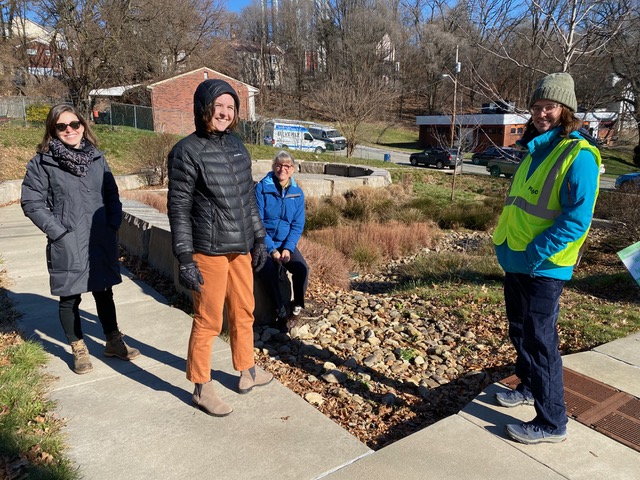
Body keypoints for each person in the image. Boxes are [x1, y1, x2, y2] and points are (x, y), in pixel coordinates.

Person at [493, 72, 601, 444]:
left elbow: (577, 220)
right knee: (520, 331)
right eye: (537, 107)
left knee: (541, 341)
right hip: (518, 261)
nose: (541, 113)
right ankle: (527, 386)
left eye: (549, 107)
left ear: (565, 110)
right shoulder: (537, 148)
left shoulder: (579, 155)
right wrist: (504, 246)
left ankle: (552, 422)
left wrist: (536, 252)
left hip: (545, 266)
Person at [167, 79, 273, 417]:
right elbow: (179, 208)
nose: (225, 113)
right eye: (219, 106)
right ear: (204, 109)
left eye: (230, 107)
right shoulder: (186, 151)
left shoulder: (238, 146)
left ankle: (247, 370)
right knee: (209, 320)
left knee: (244, 312)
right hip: (208, 250)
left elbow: (248, 200)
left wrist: (259, 238)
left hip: (240, 247)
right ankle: (201, 385)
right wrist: (184, 257)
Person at [21, 104, 140, 375]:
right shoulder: (42, 162)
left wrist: (112, 223)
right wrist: (58, 232)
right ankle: (78, 348)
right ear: (53, 130)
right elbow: (31, 202)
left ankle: (113, 340)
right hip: (68, 238)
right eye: (62, 126)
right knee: (69, 296)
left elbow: (111, 194)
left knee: (104, 291)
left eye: (74, 124)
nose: (70, 130)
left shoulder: (97, 157)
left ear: (83, 125)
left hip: (100, 237)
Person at [255, 151, 309, 330]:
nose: (282, 169)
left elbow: (297, 224)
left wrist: (287, 248)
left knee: (302, 269)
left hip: (285, 244)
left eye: (287, 166)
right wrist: (271, 250)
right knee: (267, 270)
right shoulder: (262, 188)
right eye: (279, 165)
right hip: (265, 242)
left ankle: (297, 307)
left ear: (293, 170)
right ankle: (280, 311)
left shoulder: (297, 193)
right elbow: (258, 222)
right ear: (273, 167)